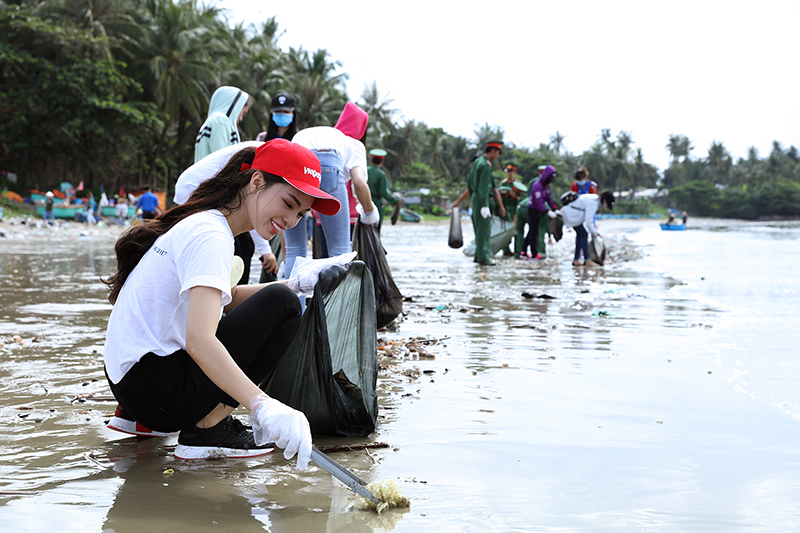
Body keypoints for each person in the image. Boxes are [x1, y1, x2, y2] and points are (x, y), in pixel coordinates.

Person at [102, 140, 343, 466]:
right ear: (256, 181)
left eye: (301, 213)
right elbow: (199, 341)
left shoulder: (207, 223)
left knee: (283, 295)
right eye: (288, 203)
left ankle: (151, 419)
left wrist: (295, 283)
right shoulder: (211, 236)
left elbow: (224, 301)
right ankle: (208, 428)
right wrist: (262, 405)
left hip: (132, 386)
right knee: (285, 306)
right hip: (156, 394)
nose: (291, 220)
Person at [282, 102, 379, 308]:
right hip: (329, 163)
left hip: (295, 160)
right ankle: (337, 314)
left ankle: (293, 315)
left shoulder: (321, 133)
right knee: (340, 251)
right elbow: (360, 183)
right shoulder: (353, 143)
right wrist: (370, 212)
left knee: (295, 250)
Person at [194, 86, 261, 286]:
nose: (240, 118)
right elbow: (225, 162)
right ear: (233, 106)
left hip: (206, 195)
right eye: (242, 112)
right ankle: (233, 302)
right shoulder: (221, 122)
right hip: (220, 196)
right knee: (241, 248)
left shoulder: (209, 123)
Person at [254, 92, 298, 281]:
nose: (282, 115)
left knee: (288, 251)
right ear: (271, 114)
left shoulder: (299, 139)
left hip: (290, 203)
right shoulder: (261, 138)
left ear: (293, 114)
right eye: (278, 111)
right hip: (264, 201)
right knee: (266, 250)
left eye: (286, 111)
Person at [452, 141, 505, 266]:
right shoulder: (486, 165)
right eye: (497, 153)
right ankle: (483, 257)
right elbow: (484, 188)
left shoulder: (477, 162)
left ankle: (478, 255)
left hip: (475, 198)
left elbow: (470, 183)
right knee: (484, 230)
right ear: (492, 151)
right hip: (481, 199)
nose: (497, 156)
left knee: (479, 229)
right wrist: (485, 204)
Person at [561, 190, 615, 266]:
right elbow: (589, 221)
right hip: (571, 214)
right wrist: (594, 233)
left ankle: (576, 259)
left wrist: (594, 232)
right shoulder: (593, 203)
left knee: (580, 235)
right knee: (584, 234)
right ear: (605, 200)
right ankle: (587, 260)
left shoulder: (595, 199)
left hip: (571, 213)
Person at [522, 165, 559, 259]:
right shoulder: (537, 186)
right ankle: (534, 253)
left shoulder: (546, 186)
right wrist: (547, 211)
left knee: (532, 231)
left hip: (539, 211)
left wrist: (554, 209)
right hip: (533, 210)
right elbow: (539, 202)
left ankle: (523, 251)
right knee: (534, 232)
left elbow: (549, 199)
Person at [366, 148, 401, 231]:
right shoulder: (381, 175)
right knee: (375, 230)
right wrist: (395, 201)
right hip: (376, 205)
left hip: (362, 202)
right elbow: (384, 192)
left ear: (371, 160)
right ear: (382, 162)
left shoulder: (364, 171)